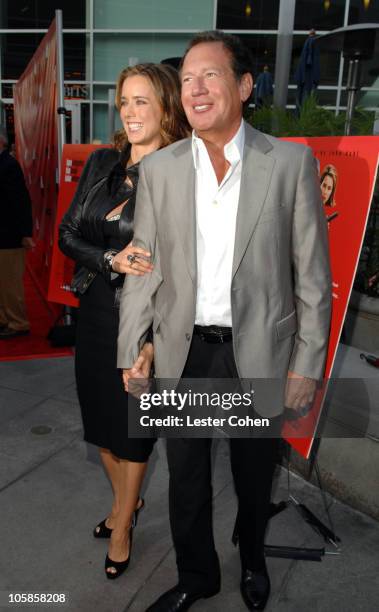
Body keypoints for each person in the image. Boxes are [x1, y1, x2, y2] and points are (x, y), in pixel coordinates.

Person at [118, 31, 331, 611]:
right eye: (186, 79)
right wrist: (131, 349)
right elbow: (143, 266)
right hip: (185, 355)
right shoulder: (160, 169)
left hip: (258, 352)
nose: (195, 89)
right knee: (184, 478)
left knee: (252, 472)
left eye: (210, 75)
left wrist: (306, 364)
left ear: (242, 86)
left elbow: (312, 277)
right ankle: (196, 576)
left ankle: (253, 563)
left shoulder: (289, 163)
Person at [59, 63, 189, 580]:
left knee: (134, 430)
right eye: (125, 101)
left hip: (149, 320)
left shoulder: (183, 173)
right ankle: (127, 502)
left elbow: (184, 271)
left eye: (142, 102)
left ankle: (123, 527)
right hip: (95, 310)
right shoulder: (100, 164)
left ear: (165, 109)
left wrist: (154, 343)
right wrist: (110, 260)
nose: (131, 113)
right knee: (103, 429)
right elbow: (68, 235)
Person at [0, 127, 34, 340]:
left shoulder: (8, 166)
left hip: (9, 237)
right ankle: (4, 320)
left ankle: (18, 323)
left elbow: (21, 202)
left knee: (10, 284)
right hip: (3, 236)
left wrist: (25, 233)